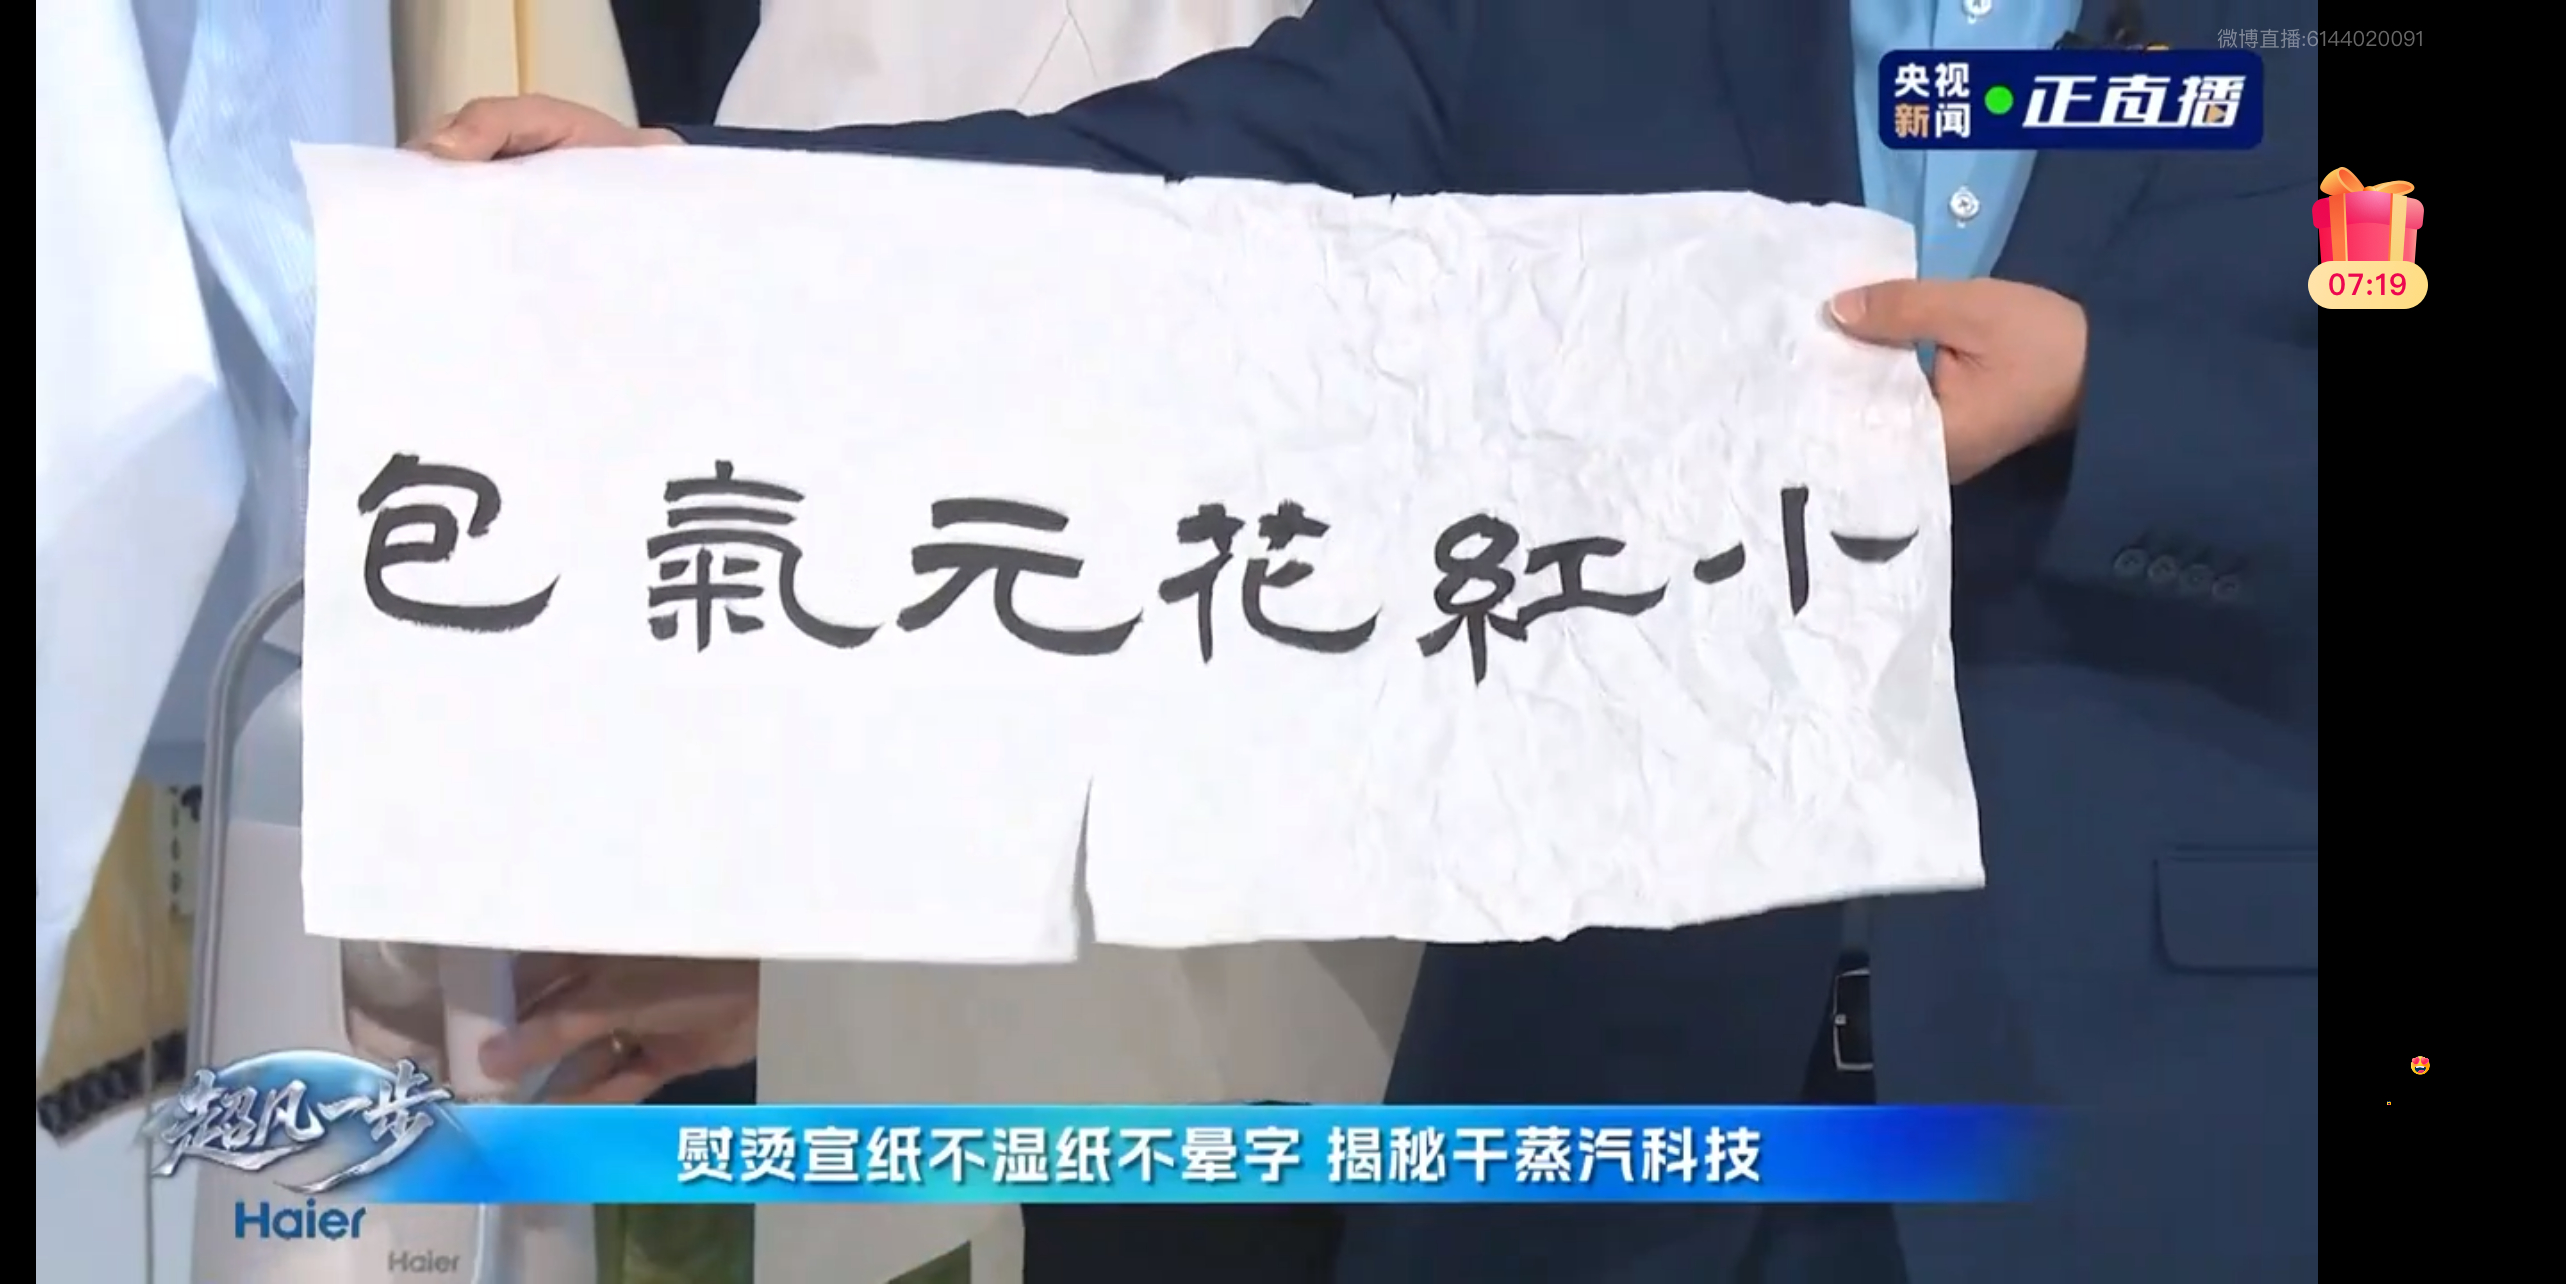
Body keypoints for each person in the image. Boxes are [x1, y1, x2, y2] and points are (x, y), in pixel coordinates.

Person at [414, 2, 2321, 1281]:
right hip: (1607, 1103)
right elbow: (1156, 194)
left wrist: (2111, 395)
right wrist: (688, 206)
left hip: (2173, 1105)